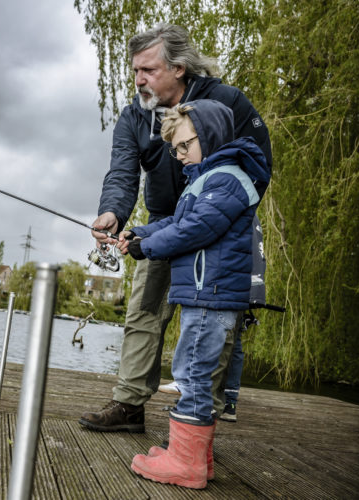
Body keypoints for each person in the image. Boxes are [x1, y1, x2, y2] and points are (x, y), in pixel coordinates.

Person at [79, 23, 271, 433]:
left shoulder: (227, 102)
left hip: (218, 229)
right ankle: (129, 405)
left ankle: (202, 417)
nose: (138, 79)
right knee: (143, 312)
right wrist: (112, 212)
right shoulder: (134, 115)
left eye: (147, 69)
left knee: (215, 320)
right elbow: (122, 173)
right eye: (134, 71)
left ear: (179, 67)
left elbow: (258, 164)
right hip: (161, 227)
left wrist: (222, 215)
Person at [120, 99, 270, 488]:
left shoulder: (227, 178)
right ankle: (194, 457)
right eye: (175, 148)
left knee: (192, 374)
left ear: (211, 136)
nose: (179, 155)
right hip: (205, 294)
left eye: (185, 145)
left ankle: (185, 464)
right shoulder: (209, 178)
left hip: (211, 295)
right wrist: (142, 232)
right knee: (194, 371)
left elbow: (195, 230)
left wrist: (146, 248)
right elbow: (178, 221)